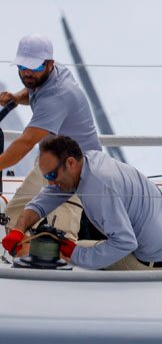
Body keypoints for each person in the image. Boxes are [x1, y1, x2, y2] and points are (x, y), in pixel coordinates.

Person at [1, 135, 162, 270]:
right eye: (46, 176)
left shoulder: (99, 188)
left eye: (52, 175)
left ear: (69, 163)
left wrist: (73, 254)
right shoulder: (88, 161)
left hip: (157, 257)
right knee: (79, 250)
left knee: (63, 256)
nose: (50, 182)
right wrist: (19, 228)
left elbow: (125, 243)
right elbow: (43, 201)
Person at [0, 34, 102, 243]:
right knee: (13, 217)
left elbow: (25, 143)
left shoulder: (57, 96)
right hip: (49, 161)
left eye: (34, 68)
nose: (27, 72)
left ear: (49, 64)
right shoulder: (55, 73)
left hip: (77, 170)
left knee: (59, 237)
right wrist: (16, 98)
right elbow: (33, 88)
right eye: (22, 66)